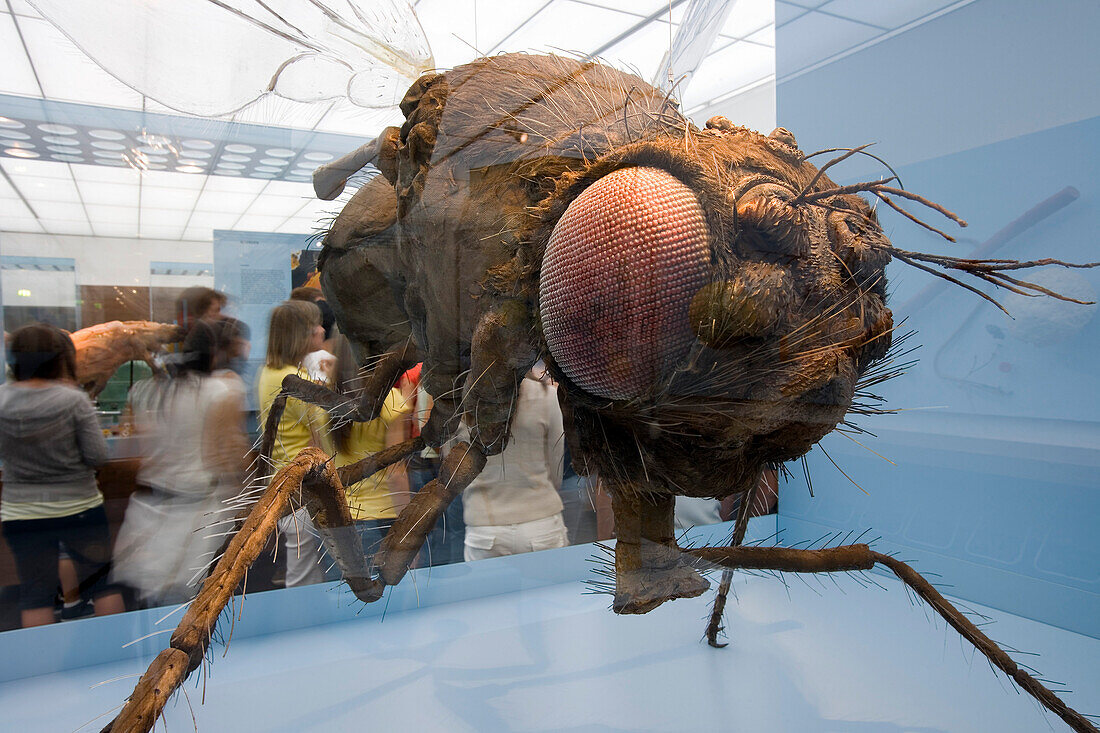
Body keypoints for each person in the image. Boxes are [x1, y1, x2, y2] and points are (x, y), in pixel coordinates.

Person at [0, 323, 125, 626]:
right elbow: (97, 456)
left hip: (20, 511)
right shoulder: (72, 399)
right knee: (101, 584)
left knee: (35, 593)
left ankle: (43, 666)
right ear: (59, 357)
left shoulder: (2, 398)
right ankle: (118, 658)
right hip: (78, 507)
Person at [257, 300, 333, 587]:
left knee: (303, 570)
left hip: (285, 485)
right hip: (303, 491)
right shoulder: (294, 381)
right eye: (315, 324)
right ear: (301, 333)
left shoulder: (269, 373)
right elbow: (323, 436)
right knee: (305, 576)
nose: (322, 329)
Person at [459, 364, 569, 561]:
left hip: (485, 526)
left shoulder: (461, 402)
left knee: (489, 593)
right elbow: (556, 467)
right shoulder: (546, 395)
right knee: (552, 591)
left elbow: (456, 469)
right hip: (540, 522)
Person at [323, 336, 411, 564]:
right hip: (382, 518)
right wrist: (407, 534)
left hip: (336, 520)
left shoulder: (321, 403)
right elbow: (396, 474)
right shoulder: (391, 401)